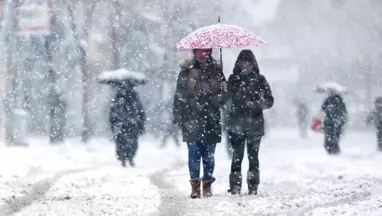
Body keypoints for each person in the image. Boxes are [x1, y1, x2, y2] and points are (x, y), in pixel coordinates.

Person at [173, 48, 226, 199]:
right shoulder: (186, 72)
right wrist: (178, 117)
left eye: (206, 51)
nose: (203, 54)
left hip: (211, 119)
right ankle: (195, 186)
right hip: (191, 118)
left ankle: (207, 184)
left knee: (209, 155)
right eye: (200, 52)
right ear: (194, 53)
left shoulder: (217, 71)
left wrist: (222, 91)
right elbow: (179, 96)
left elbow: (223, 98)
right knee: (194, 153)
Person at [223, 50, 274, 195]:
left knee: (253, 157)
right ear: (239, 63)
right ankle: (235, 186)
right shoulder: (233, 79)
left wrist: (256, 103)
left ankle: (253, 186)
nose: (246, 65)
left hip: (254, 126)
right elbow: (224, 100)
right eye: (243, 62)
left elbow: (269, 101)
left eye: (248, 62)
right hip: (236, 124)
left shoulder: (260, 80)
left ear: (253, 64)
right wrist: (223, 89)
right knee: (237, 157)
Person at [109, 82, 146, 167]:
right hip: (132, 123)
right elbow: (140, 111)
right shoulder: (134, 97)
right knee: (131, 142)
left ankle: (123, 157)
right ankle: (130, 157)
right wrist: (141, 123)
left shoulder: (117, 97)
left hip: (121, 124)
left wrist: (113, 123)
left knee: (121, 142)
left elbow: (112, 112)